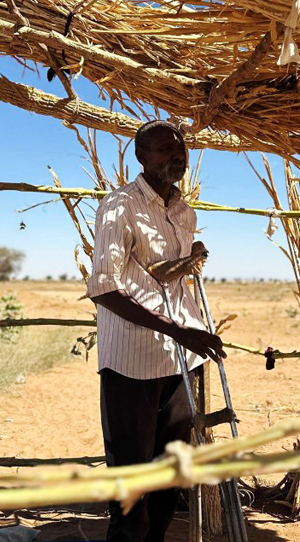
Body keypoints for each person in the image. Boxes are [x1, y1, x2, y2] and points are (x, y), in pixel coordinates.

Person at [87, 120, 226, 542]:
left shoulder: (184, 210)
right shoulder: (119, 207)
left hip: (180, 361)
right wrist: (178, 331)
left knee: (170, 479)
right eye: (165, 149)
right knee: (133, 483)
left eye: (180, 149)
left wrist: (192, 257)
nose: (176, 156)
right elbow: (105, 288)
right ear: (142, 156)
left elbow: (167, 276)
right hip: (132, 363)